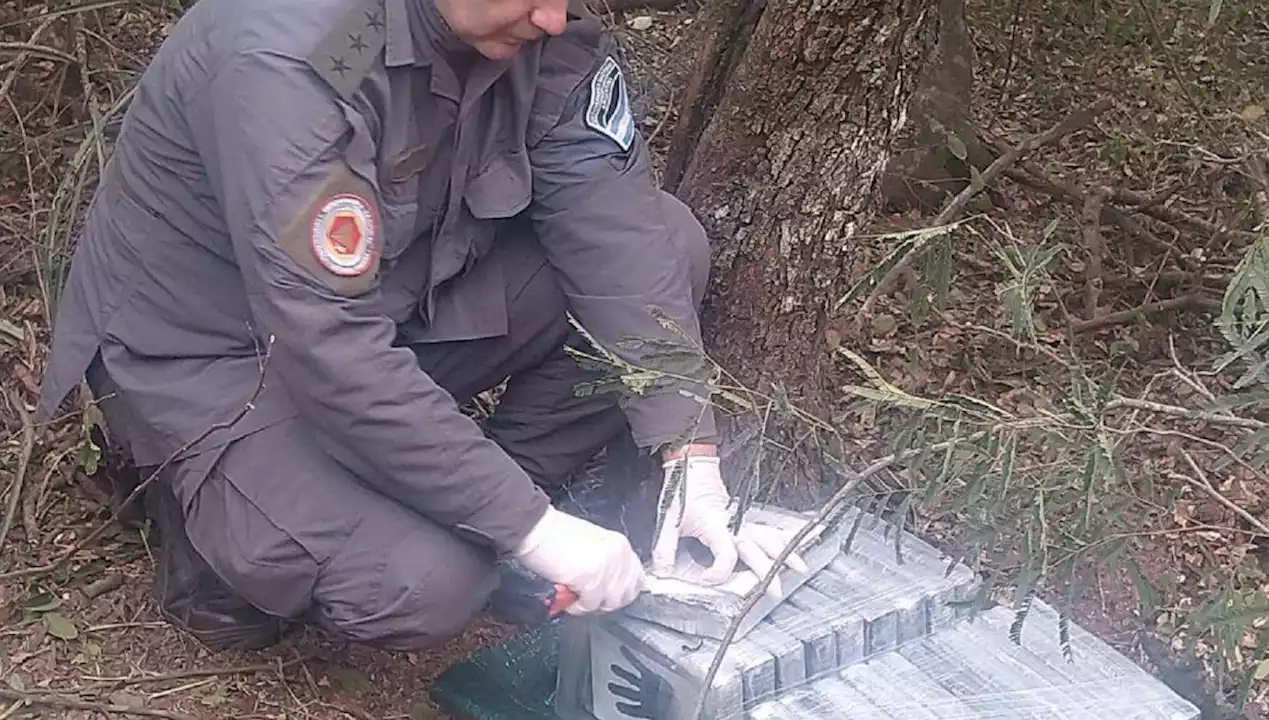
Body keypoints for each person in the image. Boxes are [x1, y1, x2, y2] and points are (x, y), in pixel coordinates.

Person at [37, 0, 803, 652]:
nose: (550, 17)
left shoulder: (539, 25)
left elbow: (616, 229)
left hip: (386, 308)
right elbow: (327, 344)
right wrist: (533, 528)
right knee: (427, 584)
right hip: (216, 365)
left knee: (671, 243)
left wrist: (687, 447)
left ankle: (479, 500)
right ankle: (213, 535)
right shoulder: (289, 54)